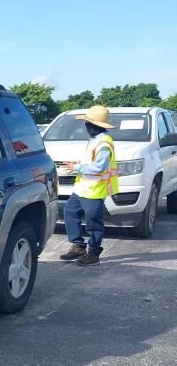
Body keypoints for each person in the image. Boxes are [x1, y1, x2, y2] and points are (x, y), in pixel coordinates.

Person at [59, 105, 118, 267]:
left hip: (94, 190)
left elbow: (98, 168)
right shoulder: (95, 139)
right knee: (70, 212)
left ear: (97, 126)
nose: (86, 126)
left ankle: (93, 254)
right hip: (82, 188)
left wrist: (76, 167)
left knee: (93, 223)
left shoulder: (104, 143)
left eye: (89, 123)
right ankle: (78, 247)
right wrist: (77, 164)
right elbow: (91, 162)